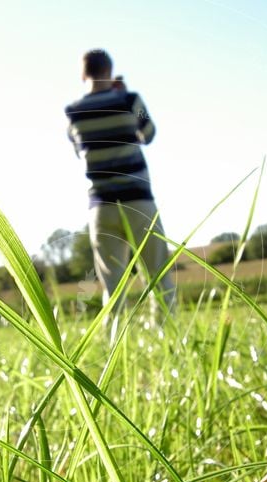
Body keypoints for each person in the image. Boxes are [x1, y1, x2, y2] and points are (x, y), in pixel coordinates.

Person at [64, 49, 176, 321]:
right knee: (158, 275)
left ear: (83, 74)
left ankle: (114, 343)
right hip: (138, 200)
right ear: (110, 71)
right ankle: (167, 339)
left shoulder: (74, 112)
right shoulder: (129, 100)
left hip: (101, 206)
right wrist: (123, 97)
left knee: (112, 286)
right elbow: (148, 134)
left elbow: (78, 147)